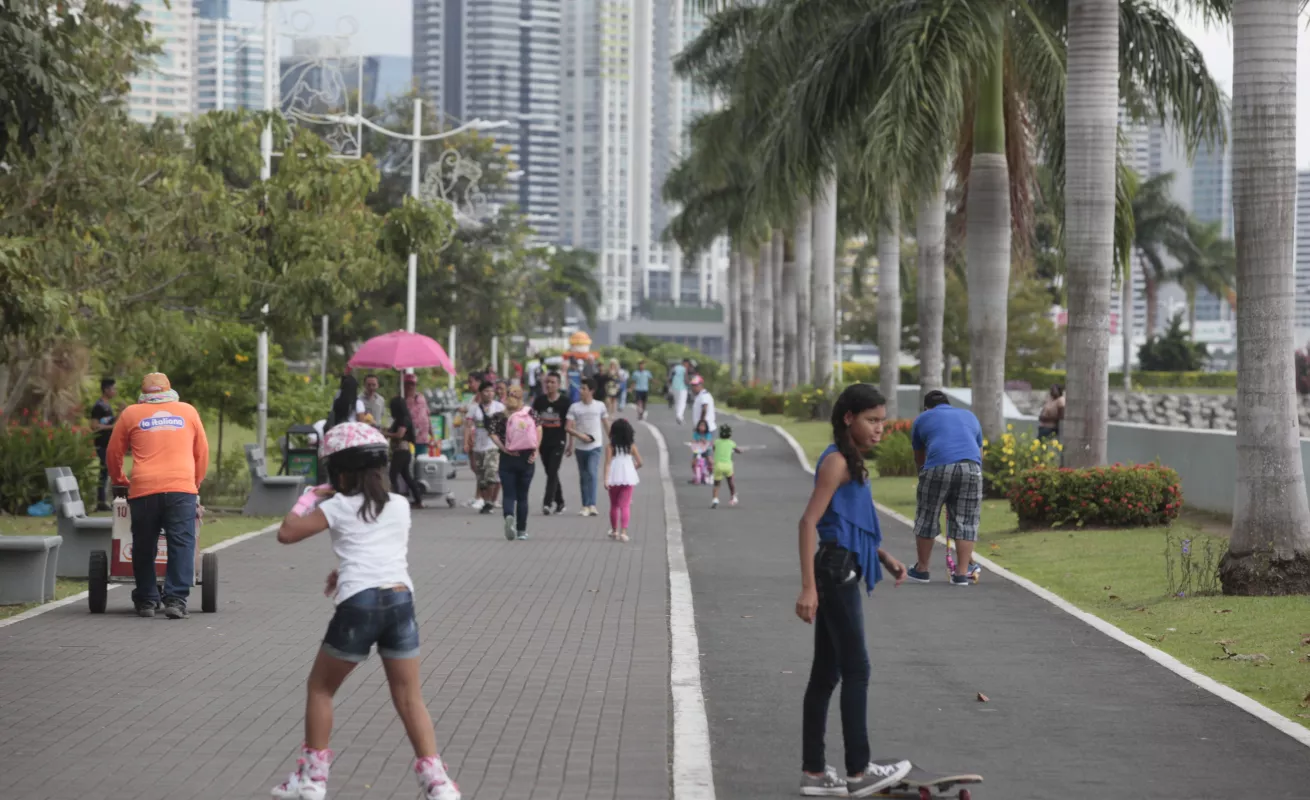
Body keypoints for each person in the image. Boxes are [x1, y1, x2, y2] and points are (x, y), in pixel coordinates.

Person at [271, 422, 461, 800]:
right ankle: (438, 782)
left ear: (340, 471)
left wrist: (310, 496)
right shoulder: (401, 505)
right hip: (399, 601)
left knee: (321, 688)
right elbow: (378, 549)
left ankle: (312, 780)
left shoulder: (336, 505)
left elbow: (286, 532)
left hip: (359, 604)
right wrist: (343, 572)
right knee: (409, 696)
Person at [795, 384, 911, 798]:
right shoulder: (837, 462)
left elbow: (844, 520)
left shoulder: (850, 461)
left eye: (882, 420)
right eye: (872, 420)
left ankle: (813, 772)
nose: (880, 428)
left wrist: (882, 555)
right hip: (833, 571)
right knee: (857, 669)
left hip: (840, 564)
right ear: (849, 418)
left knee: (827, 673)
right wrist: (808, 587)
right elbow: (809, 523)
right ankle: (860, 772)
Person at [105, 373, 210, 620]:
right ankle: (175, 600)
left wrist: (120, 481)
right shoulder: (188, 411)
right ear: (169, 390)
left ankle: (147, 600)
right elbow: (202, 452)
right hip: (181, 488)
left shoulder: (131, 413)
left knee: (143, 545)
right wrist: (194, 483)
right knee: (181, 544)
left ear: (144, 393)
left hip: (143, 489)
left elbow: (113, 452)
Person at [907, 390, 984, 586]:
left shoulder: (923, 418)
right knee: (966, 521)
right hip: (971, 467)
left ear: (927, 407)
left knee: (927, 516)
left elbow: (919, 456)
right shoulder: (969, 416)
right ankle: (961, 573)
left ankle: (922, 570)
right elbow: (979, 453)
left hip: (937, 466)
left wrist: (924, 476)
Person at [488, 385, 540, 540]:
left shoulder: (499, 416)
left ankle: (509, 515)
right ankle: (522, 531)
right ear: (521, 396)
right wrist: (535, 450)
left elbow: (492, 433)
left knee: (509, 494)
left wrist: (504, 448)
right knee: (523, 496)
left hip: (507, 458)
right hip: (527, 458)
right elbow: (539, 430)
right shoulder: (530, 413)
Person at [565, 377, 609, 517]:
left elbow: (606, 424)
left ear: (592, 391)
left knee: (592, 472)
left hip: (595, 446)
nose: (581, 391)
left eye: (584, 389)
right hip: (580, 447)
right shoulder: (574, 407)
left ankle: (592, 504)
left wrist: (613, 440)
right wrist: (574, 442)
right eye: (580, 388)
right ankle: (585, 505)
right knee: (583, 476)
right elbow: (568, 427)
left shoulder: (600, 406)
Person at [532, 371, 571, 516]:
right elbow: (533, 422)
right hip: (543, 442)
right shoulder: (539, 401)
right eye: (547, 382)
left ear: (559, 385)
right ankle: (560, 501)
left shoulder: (565, 402)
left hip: (558, 441)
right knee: (550, 472)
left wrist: (570, 443)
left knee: (553, 471)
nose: (549, 385)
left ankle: (547, 503)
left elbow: (569, 425)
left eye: (552, 382)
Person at [465, 381, 505, 513]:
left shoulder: (499, 407)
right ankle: (487, 501)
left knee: (491, 473)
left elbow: (506, 424)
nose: (490, 394)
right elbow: (468, 425)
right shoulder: (474, 408)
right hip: (478, 446)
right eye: (487, 391)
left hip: (493, 446)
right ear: (480, 393)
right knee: (481, 477)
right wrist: (466, 442)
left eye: (492, 391)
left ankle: (490, 501)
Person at [603, 418, 643, 542]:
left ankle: (614, 530)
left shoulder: (610, 447)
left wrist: (606, 479)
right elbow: (640, 462)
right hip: (628, 477)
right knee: (625, 505)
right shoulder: (631, 446)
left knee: (614, 505)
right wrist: (632, 469)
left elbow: (608, 463)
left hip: (614, 476)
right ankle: (624, 532)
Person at [384, 396, 424, 509]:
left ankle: (395, 500)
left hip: (401, 450)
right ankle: (418, 500)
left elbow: (400, 434)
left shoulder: (403, 419)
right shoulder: (402, 419)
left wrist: (386, 435)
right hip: (403, 451)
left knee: (393, 475)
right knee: (406, 476)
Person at [89, 377, 118, 511]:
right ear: (106, 390)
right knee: (104, 471)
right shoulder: (98, 406)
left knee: (107, 471)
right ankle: (101, 501)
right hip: (102, 444)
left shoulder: (107, 406)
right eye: (113, 389)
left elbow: (108, 422)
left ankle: (104, 500)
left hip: (109, 444)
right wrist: (112, 426)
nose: (115, 391)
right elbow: (94, 426)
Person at [710, 424, 739, 509]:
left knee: (716, 484)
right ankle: (733, 496)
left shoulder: (716, 442)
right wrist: (740, 451)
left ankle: (715, 499)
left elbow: (714, 449)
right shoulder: (731, 443)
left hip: (718, 465)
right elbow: (737, 450)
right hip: (728, 465)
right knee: (730, 482)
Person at [669, 358, 689, 423]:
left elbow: (670, 377)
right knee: (682, 402)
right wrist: (689, 382)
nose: (687, 365)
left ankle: (679, 416)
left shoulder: (675, 368)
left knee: (677, 402)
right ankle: (679, 416)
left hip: (674, 387)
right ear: (685, 363)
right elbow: (685, 379)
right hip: (682, 387)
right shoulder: (684, 369)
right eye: (687, 364)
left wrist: (670, 385)